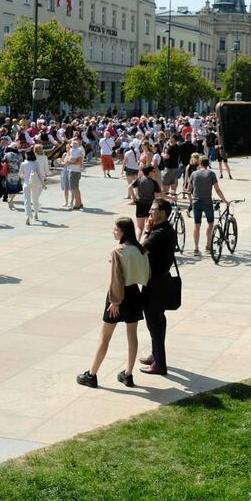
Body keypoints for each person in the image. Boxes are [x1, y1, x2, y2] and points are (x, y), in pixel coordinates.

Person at [77, 217, 150, 389]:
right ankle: (128, 374)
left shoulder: (118, 251)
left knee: (105, 337)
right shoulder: (141, 250)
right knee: (132, 335)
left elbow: (116, 279)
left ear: (123, 231)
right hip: (134, 293)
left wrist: (115, 301)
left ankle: (92, 374)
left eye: (115, 229)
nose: (113, 232)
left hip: (118, 296)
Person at [139, 198, 178, 376]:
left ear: (162, 213)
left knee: (155, 322)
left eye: (153, 210)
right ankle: (156, 355)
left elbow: (139, 249)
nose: (150, 213)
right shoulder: (166, 229)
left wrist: (146, 230)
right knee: (155, 322)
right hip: (159, 281)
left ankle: (159, 364)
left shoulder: (158, 233)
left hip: (155, 284)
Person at [188, 157, 228, 256]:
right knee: (210, 224)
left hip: (196, 202)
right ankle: (208, 246)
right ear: (207, 164)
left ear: (200, 164)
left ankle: (196, 249)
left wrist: (191, 201)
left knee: (197, 225)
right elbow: (217, 190)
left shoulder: (194, 174)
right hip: (207, 202)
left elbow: (189, 190)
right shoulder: (211, 174)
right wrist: (225, 200)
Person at [130, 165, 160, 239]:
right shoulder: (154, 182)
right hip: (150, 205)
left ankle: (137, 241)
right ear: (150, 172)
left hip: (140, 204)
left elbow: (130, 187)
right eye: (153, 171)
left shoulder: (139, 179)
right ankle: (144, 242)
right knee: (148, 226)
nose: (154, 172)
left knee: (139, 227)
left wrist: (134, 197)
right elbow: (158, 195)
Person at [20, 148, 45, 225]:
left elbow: (20, 175)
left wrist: (24, 176)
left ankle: (28, 217)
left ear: (26, 155)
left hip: (27, 183)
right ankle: (36, 213)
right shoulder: (36, 163)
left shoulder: (23, 164)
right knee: (35, 199)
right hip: (35, 182)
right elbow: (39, 175)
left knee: (27, 200)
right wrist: (43, 184)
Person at [64, 137, 85, 210]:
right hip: (75, 171)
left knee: (74, 188)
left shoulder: (78, 150)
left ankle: (77, 204)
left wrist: (69, 162)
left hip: (74, 171)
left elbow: (79, 162)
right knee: (76, 188)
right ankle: (79, 203)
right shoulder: (77, 150)